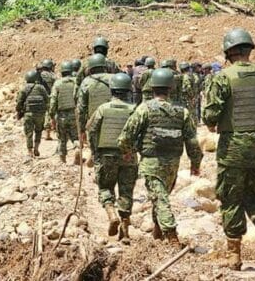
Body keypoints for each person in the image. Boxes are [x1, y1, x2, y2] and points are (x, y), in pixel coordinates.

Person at [202, 28, 255, 271]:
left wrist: (211, 124)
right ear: (249, 49)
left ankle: (234, 255)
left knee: (231, 197)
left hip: (234, 148)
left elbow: (210, 115)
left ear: (229, 52)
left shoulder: (222, 77)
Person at [118, 68, 202, 248]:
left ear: (152, 87)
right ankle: (157, 233)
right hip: (173, 165)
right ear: (171, 88)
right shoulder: (182, 112)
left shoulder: (144, 109)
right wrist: (195, 164)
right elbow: (193, 142)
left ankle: (171, 236)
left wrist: (127, 151)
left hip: (151, 163)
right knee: (160, 197)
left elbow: (126, 136)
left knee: (160, 199)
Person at [87, 73, 137, 240]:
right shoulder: (134, 109)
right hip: (129, 156)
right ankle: (125, 231)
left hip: (106, 154)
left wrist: (94, 152)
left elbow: (91, 129)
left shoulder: (103, 108)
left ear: (112, 90)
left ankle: (111, 214)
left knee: (105, 187)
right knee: (126, 191)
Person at [77, 54, 114, 157]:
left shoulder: (86, 82)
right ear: (105, 66)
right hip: (113, 118)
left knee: (96, 153)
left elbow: (81, 109)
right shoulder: (114, 78)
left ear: (90, 68)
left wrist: (82, 130)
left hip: (94, 121)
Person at [49, 61, 79, 163]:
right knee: (75, 136)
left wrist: (52, 116)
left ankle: (63, 160)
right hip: (74, 114)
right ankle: (77, 149)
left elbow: (53, 101)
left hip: (61, 115)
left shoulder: (57, 83)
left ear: (62, 72)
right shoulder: (76, 82)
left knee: (62, 139)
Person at [16, 70, 49, 158]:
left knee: (29, 132)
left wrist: (19, 111)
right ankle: (36, 148)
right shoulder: (41, 87)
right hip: (40, 114)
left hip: (28, 114)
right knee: (39, 131)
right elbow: (47, 99)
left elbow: (19, 102)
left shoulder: (24, 88)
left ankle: (30, 151)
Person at [40, 59, 57, 141]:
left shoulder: (38, 74)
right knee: (48, 114)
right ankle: (48, 133)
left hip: (39, 97)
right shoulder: (52, 75)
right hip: (48, 96)